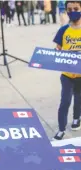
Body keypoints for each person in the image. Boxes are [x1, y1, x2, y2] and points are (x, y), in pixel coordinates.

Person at [53, 0, 81, 140]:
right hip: (67, 75)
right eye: (69, 9)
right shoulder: (63, 30)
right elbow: (57, 49)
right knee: (65, 101)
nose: (73, 11)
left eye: (76, 8)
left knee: (79, 99)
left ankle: (76, 119)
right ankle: (61, 129)